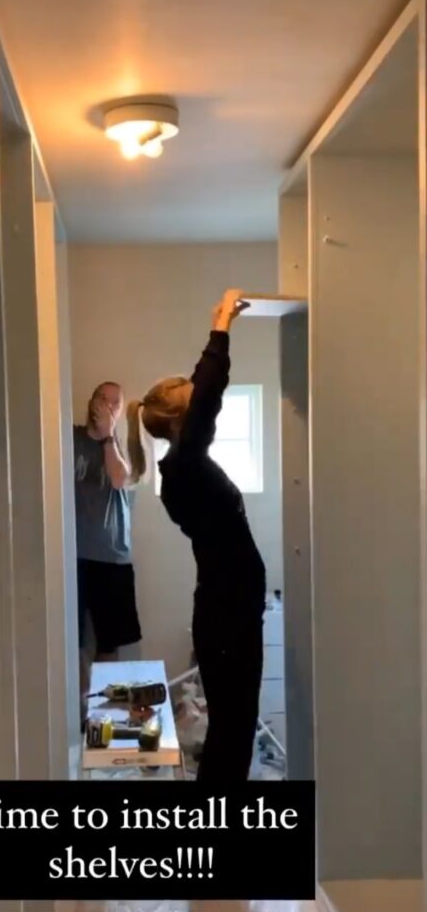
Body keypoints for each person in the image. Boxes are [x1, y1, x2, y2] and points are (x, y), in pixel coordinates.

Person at [126, 290, 266, 782]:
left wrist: (219, 323)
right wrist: (222, 324)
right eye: (192, 395)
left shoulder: (186, 467)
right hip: (228, 616)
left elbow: (202, 396)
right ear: (187, 420)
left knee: (233, 733)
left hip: (229, 612)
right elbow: (208, 391)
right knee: (233, 736)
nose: (199, 392)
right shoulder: (184, 467)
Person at [74, 381, 142, 723]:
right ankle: (81, 712)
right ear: (91, 401)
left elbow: (118, 479)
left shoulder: (122, 445)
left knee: (109, 642)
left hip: (112, 557)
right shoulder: (68, 439)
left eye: (116, 403)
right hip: (71, 557)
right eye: (103, 398)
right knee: (72, 639)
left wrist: (107, 437)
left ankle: (104, 715)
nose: (108, 406)